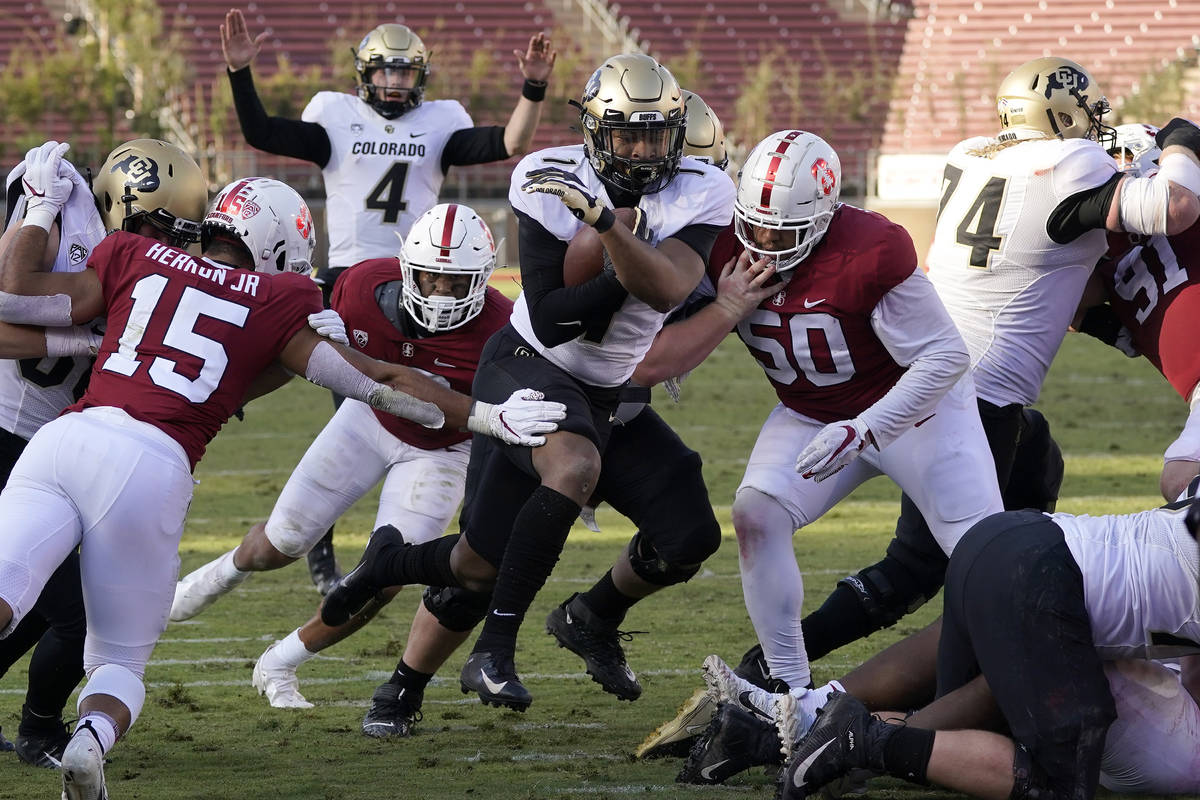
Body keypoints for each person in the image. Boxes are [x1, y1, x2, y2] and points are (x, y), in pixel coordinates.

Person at [646, 59, 1200, 764]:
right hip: (964, 390)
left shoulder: (968, 157)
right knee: (964, 575)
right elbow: (1171, 206)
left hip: (944, 376)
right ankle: (829, 702)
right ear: (1068, 125)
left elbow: (1056, 275)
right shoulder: (1074, 164)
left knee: (1036, 479)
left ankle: (850, 699)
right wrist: (1180, 136)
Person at [0, 152, 510, 799]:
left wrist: (41, 205)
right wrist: (485, 416)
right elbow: (378, 383)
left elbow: (13, 293)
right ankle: (89, 739)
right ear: (279, 250)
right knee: (117, 660)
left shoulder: (133, 253)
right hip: (149, 464)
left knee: (7, 588)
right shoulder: (280, 297)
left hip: (62, 438)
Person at [250, 92, 743, 735]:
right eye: (641, 149)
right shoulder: (583, 200)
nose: (663, 171)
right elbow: (578, 322)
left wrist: (722, 302)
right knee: (496, 547)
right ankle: (413, 681)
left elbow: (665, 346)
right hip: (540, 369)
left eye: (679, 158)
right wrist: (641, 264)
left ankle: (586, 617)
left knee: (687, 535)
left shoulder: (705, 211)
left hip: (613, 397)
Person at [165, 203, 553, 718]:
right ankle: (218, 575)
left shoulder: (505, 327)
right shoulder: (364, 286)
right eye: (430, 278)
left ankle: (281, 661)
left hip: (443, 451)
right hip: (368, 420)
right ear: (405, 267)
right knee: (284, 541)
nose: (439, 293)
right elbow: (295, 344)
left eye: (455, 283)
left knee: (385, 574)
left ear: (484, 278)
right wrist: (332, 339)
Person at [220, 6, 557, 592]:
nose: (395, 83)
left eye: (405, 73)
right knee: (347, 409)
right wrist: (240, 74)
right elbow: (263, 134)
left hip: (430, 278)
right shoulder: (337, 116)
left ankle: (430, 532)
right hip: (352, 278)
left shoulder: (440, 123)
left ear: (420, 76)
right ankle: (319, 549)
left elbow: (508, 141)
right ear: (365, 74)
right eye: (386, 72)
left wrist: (533, 87)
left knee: (437, 403)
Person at [0, 138, 207, 768]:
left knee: (40, 598)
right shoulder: (55, 200)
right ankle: (39, 730)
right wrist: (87, 345)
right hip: (10, 431)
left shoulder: (139, 261)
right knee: (68, 607)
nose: (161, 244)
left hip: (63, 440)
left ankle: (40, 728)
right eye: (152, 226)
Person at [782, 499, 1200, 800]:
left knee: (960, 733)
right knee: (1058, 784)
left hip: (1008, 539)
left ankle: (771, 736)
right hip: (1043, 580)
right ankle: (857, 740)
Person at [1076, 122, 1200, 501]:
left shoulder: (1184, 200)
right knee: (1181, 481)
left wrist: (1181, 143)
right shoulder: (1100, 256)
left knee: (1182, 481)